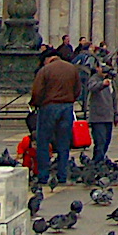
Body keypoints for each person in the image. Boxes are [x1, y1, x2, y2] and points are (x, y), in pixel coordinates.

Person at [30, 47, 83, 185]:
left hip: (49, 107)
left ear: (47, 59)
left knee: (43, 141)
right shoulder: (72, 68)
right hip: (67, 107)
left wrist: (35, 103)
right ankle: (62, 175)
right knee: (64, 143)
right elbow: (78, 89)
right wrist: (70, 99)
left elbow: (37, 91)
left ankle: (43, 175)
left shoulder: (45, 70)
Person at [84, 64, 118, 167]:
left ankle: (98, 161)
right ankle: (97, 163)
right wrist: (102, 84)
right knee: (100, 141)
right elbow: (92, 87)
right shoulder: (94, 79)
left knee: (106, 141)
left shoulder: (111, 82)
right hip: (97, 118)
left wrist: (116, 115)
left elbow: (114, 100)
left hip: (108, 116)